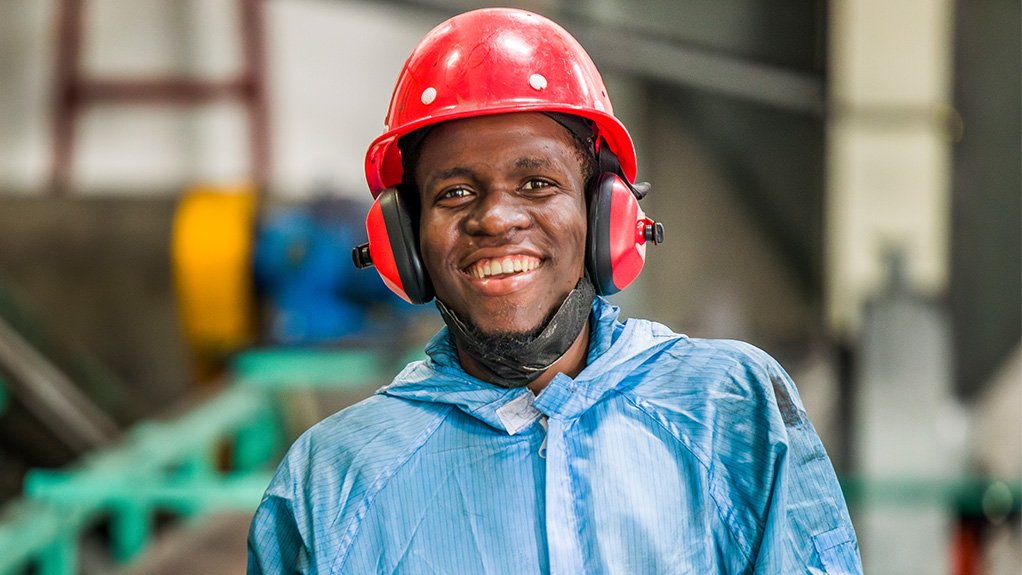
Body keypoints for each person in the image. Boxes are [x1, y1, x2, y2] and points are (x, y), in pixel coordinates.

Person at [248, 8, 862, 574]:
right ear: (403, 240)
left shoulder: (730, 411)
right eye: (454, 193)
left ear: (607, 213)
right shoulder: (331, 483)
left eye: (537, 182)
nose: (496, 219)